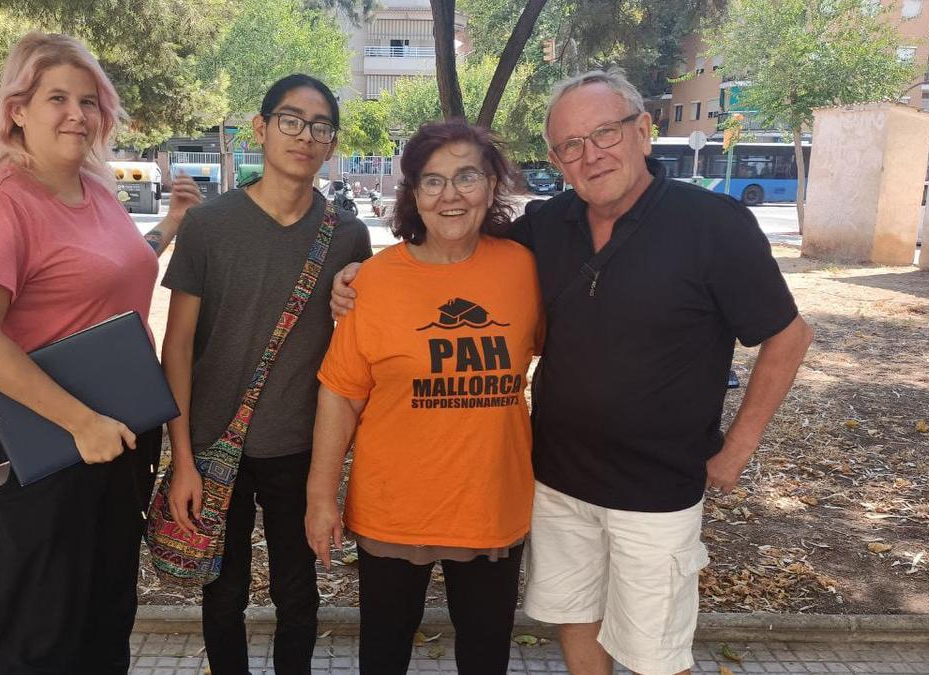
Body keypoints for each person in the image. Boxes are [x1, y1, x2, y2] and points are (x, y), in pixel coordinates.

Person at [331, 68, 814, 675]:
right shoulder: (545, 229)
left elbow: (788, 337)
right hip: (558, 484)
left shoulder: (713, 225)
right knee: (577, 624)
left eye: (604, 133)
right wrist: (359, 280)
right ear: (557, 159)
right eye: (570, 146)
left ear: (643, 130)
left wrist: (735, 452)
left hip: (655, 491)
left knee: (655, 654)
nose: (591, 155)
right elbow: (450, 250)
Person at [0, 32, 201, 673]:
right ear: (17, 110)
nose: (77, 115)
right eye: (57, 97)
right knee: (43, 626)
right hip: (44, 439)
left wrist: (169, 226)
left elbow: (115, 271)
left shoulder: (95, 192)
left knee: (104, 612)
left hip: (118, 432)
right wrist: (79, 422)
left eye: (89, 101)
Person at [306, 120, 541, 674]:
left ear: (491, 184)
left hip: (491, 506)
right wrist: (321, 498)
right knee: (382, 657)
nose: (450, 195)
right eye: (432, 182)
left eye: (467, 177)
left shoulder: (525, 270)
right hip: (393, 510)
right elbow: (340, 396)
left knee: (485, 658)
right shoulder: (375, 281)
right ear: (412, 194)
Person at [159, 73, 372, 675]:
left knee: (297, 594)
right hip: (210, 443)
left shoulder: (346, 236)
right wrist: (182, 460)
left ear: (331, 144)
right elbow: (176, 347)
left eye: (321, 127)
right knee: (220, 593)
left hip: (299, 445)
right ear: (260, 128)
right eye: (291, 120)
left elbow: (359, 345)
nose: (305, 136)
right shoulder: (209, 226)